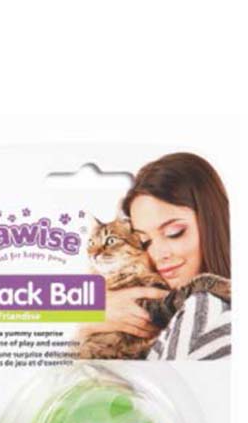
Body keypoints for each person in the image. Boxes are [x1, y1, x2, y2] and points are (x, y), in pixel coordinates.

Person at [79, 152, 230, 357]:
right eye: (145, 242)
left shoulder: (205, 308)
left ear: (212, 222)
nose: (158, 255)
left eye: (174, 233)